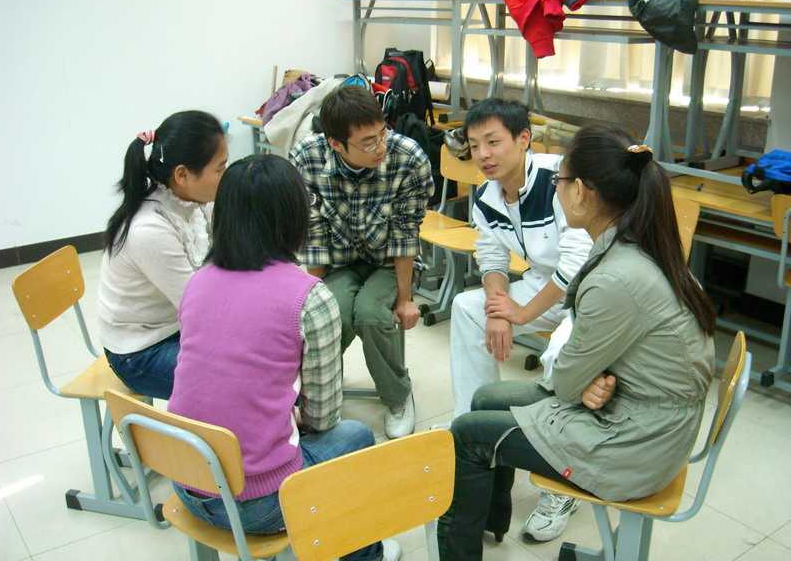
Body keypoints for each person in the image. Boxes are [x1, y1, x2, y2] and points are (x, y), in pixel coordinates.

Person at [437, 125, 717, 561]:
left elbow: (566, 382)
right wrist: (588, 380)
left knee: (467, 435)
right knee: (486, 399)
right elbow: (585, 370)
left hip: (637, 442)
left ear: (582, 192)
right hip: (638, 407)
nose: (556, 189)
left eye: (560, 181)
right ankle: (492, 519)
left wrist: (584, 383)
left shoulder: (615, 276)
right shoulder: (637, 244)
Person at [168, 155, 399, 561]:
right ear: (294, 217)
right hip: (256, 504)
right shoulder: (309, 297)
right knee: (356, 436)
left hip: (185, 479)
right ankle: (362, 554)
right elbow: (322, 418)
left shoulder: (198, 282)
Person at [447, 98, 592, 541]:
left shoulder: (559, 180)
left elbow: (578, 264)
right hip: (547, 282)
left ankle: (560, 480)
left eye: (493, 142)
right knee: (467, 309)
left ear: (524, 139)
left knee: (560, 353)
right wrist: (498, 309)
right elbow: (491, 257)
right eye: (475, 145)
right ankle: (471, 434)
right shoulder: (486, 196)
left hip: (594, 288)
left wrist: (520, 313)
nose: (483, 154)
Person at [289, 86, 434, 439]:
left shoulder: (407, 157)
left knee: (371, 315)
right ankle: (322, 396)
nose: (381, 147)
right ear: (336, 144)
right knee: (331, 316)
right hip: (338, 263)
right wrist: (312, 299)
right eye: (368, 143)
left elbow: (405, 233)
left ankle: (398, 396)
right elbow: (314, 236)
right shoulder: (307, 157)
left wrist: (405, 299)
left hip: (389, 263)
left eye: (382, 133)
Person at [99, 110, 227, 399]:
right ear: (182, 175)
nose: (225, 176)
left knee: (266, 353)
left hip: (177, 325)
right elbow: (202, 309)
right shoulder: (150, 230)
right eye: (220, 169)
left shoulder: (192, 200)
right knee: (247, 374)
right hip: (140, 352)